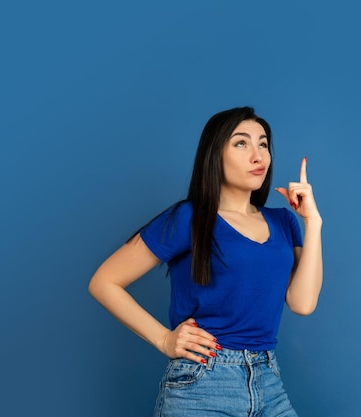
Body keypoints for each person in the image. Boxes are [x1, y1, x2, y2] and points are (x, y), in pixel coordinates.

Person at [88, 106, 323, 417]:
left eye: (263, 143)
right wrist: (163, 339)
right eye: (241, 143)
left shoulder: (283, 221)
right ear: (215, 154)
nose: (258, 156)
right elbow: (104, 281)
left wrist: (313, 222)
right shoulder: (189, 218)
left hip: (268, 380)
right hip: (203, 383)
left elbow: (302, 303)